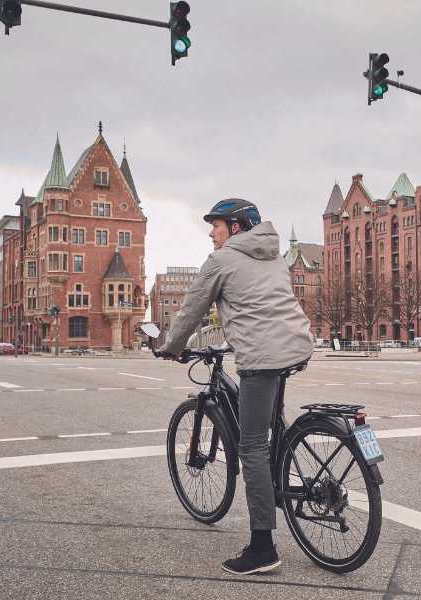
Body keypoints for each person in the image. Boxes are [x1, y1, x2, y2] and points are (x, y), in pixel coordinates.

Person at [157, 198, 314, 576]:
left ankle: (262, 547)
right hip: (295, 346)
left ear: (237, 227)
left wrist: (169, 347)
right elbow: (261, 306)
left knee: (252, 446)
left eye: (217, 225)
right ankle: (280, 478)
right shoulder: (274, 256)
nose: (212, 232)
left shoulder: (221, 261)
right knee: (269, 429)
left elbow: (191, 310)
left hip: (262, 356)